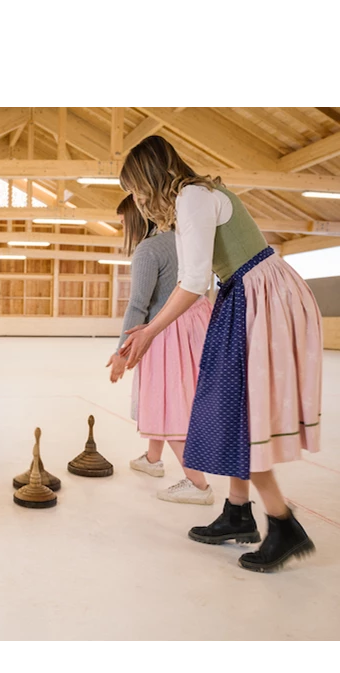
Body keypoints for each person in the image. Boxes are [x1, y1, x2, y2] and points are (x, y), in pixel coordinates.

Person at [118, 134, 322, 573]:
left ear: (151, 178)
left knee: (241, 414)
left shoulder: (193, 196)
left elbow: (192, 282)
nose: (137, 199)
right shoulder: (196, 197)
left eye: (136, 188)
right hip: (244, 293)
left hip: (256, 295)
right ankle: (237, 512)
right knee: (229, 408)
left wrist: (150, 332)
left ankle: (283, 524)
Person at [107, 195, 215, 505]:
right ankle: (152, 460)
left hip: (167, 332)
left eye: (124, 223)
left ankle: (197, 483)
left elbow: (138, 306)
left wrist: (120, 353)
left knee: (168, 405)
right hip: (198, 325)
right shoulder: (182, 239)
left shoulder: (148, 250)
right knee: (168, 398)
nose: (123, 229)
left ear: (138, 219)